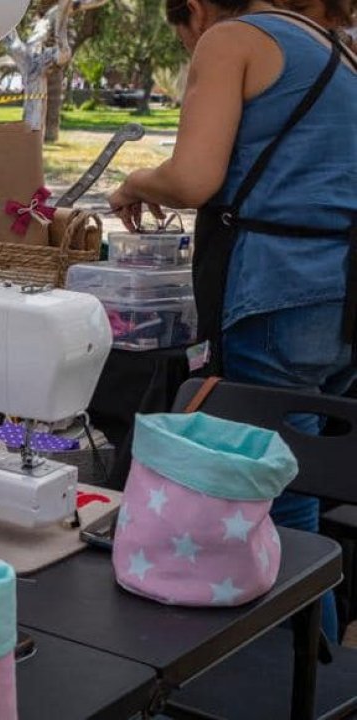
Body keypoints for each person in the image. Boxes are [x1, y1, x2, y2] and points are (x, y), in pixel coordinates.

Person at [110, 0, 356, 640]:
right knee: (311, 480)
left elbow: (192, 179)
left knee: (278, 496)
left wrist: (135, 181)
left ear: (194, 11)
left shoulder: (231, 39)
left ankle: (301, 667)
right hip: (343, 296)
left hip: (280, 294)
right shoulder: (335, 48)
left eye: (184, 41)